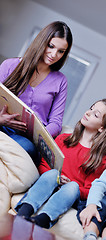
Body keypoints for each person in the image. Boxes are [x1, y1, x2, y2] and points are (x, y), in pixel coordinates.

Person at [14, 98, 106, 229]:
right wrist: (58, 179)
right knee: (53, 174)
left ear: (102, 127)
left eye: (95, 114)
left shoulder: (100, 159)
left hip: (69, 194)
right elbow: (43, 165)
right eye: (91, 108)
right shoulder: (64, 139)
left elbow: (91, 191)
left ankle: (42, 220)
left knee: (73, 187)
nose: (88, 112)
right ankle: (23, 212)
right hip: (50, 183)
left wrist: (70, 183)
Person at [0, 21, 73, 164]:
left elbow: (56, 123)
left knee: (26, 147)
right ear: (42, 42)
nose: (54, 54)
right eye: (51, 46)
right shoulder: (10, 65)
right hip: (2, 124)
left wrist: (37, 133)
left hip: (26, 139)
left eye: (61, 51)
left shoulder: (60, 81)